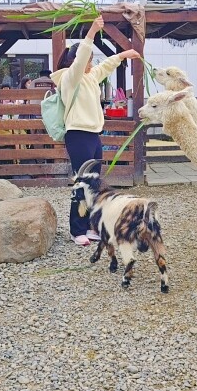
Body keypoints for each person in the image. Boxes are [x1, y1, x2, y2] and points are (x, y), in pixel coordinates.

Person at [51, 15, 141, 246]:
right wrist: (91, 33)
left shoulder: (91, 77)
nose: (90, 64)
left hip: (93, 135)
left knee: (93, 183)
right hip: (78, 135)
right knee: (83, 183)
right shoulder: (69, 80)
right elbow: (80, 61)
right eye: (87, 60)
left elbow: (104, 67)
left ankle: (90, 226)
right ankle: (76, 230)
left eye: (91, 61)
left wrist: (123, 55)